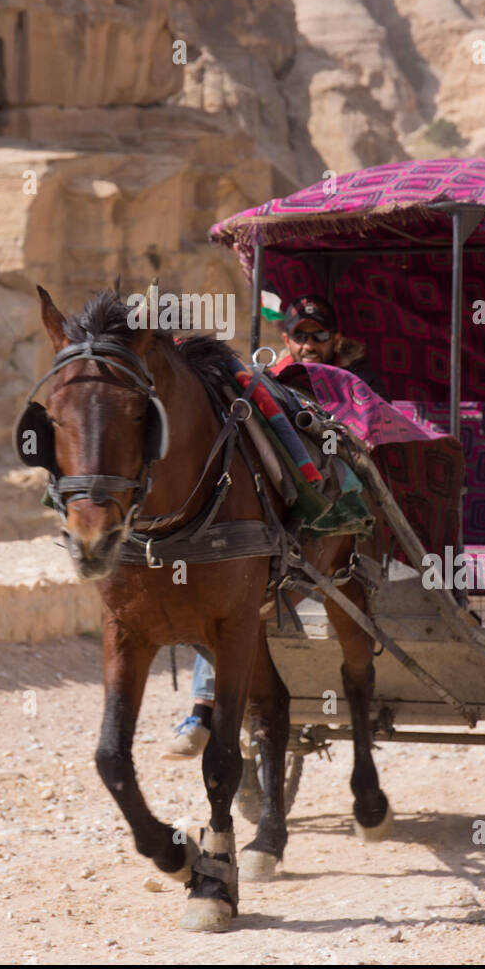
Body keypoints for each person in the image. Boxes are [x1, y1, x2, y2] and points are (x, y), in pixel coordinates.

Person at [163, 294, 388, 759]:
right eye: (300, 336)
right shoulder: (269, 380)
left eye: (319, 335)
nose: (309, 344)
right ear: (285, 338)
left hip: (336, 491)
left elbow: (364, 429)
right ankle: (204, 706)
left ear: (336, 339)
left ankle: (208, 711)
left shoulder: (355, 383)